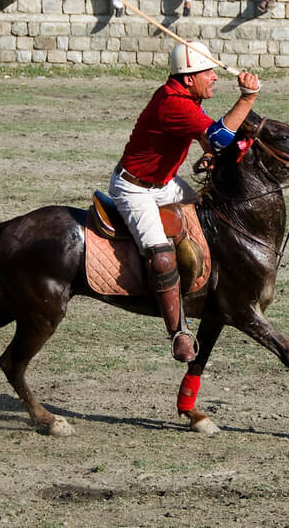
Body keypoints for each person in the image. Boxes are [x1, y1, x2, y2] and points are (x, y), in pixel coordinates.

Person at [109, 43, 261, 364]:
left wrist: (207, 152)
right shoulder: (173, 103)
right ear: (189, 78)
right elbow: (220, 136)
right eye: (208, 72)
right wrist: (247, 98)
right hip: (135, 189)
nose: (215, 78)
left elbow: (208, 139)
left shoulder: (185, 96)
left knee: (209, 214)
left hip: (164, 184)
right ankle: (178, 331)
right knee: (162, 258)